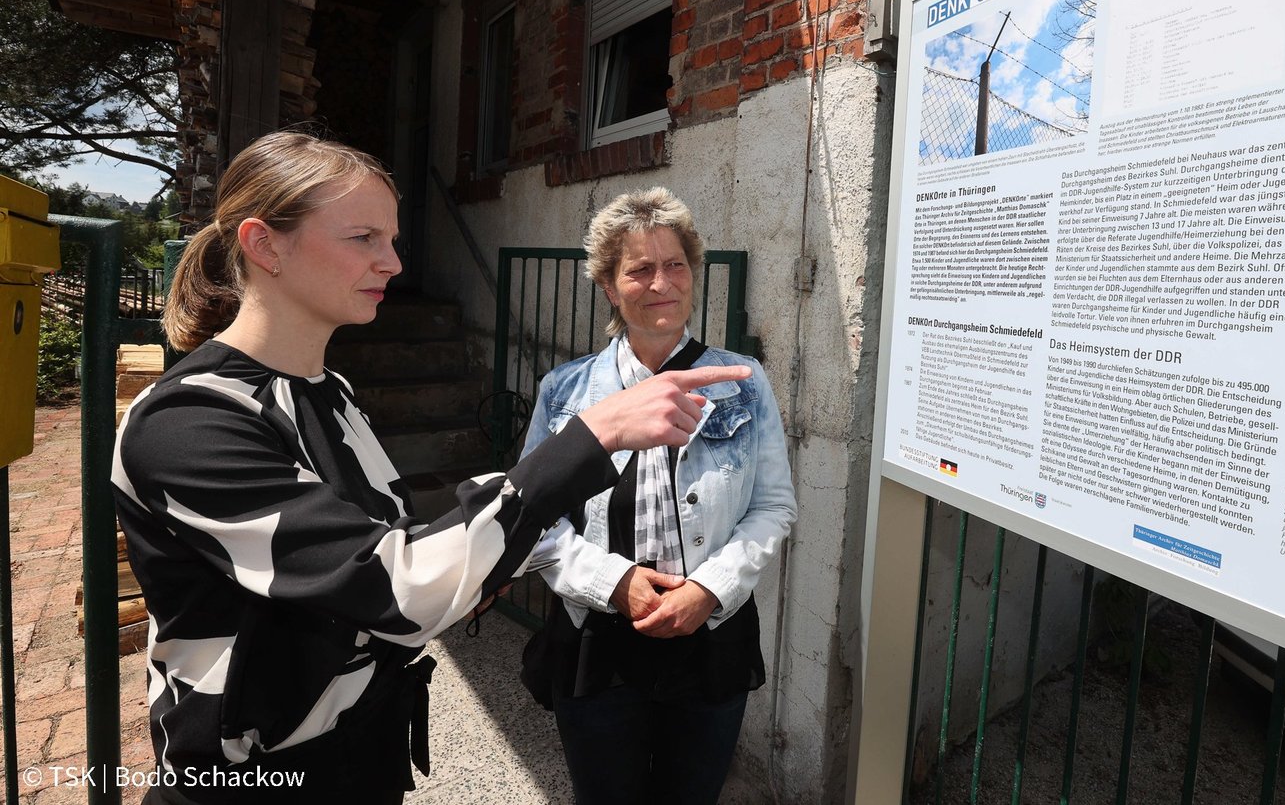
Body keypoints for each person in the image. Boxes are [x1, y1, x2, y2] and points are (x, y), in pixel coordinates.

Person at [112, 133, 750, 804]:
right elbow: (393, 587)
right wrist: (596, 433)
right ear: (264, 243)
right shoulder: (186, 423)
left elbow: (380, 552)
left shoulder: (329, 390)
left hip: (360, 759)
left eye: (392, 239)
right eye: (363, 237)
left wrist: (479, 568)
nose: (391, 262)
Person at [519, 187, 796, 805]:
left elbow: (773, 506)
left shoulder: (742, 384)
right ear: (611, 288)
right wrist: (613, 583)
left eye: (674, 265)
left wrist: (712, 589)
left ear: (693, 276)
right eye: (639, 269)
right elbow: (531, 518)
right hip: (599, 639)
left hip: (709, 639)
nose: (661, 282)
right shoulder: (565, 392)